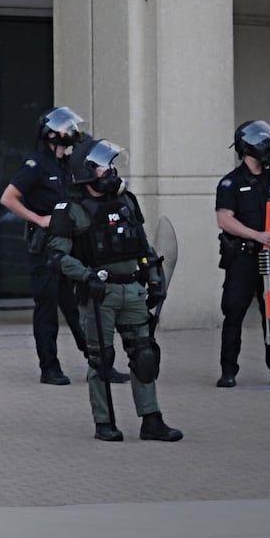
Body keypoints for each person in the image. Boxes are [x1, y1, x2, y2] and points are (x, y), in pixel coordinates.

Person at [45, 139, 182, 442]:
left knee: (144, 355)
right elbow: (56, 257)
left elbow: (143, 245)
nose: (111, 170)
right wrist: (86, 276)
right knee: (101, 360)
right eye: (104, 165)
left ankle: (152, 420)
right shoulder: (71, 210)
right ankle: (104, 422)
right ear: (87, 170)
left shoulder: (126, 202)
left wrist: (155, 279)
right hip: (99, 294)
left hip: (132, 289)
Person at [0, 105, 103, 386]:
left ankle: (98, 361)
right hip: (44, 247)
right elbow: (8, 199)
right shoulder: (36, 165)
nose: (69, 131)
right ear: (49, 133)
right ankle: (50, 367)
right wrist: (39, 219)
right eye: (63, 126)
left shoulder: (68, 165)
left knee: (75, 306)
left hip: (69, 246)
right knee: (47, 308)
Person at [215, 120, 270, 388]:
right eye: (262, 141)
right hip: (243, 257)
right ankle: (228, 371)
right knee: (234, 313)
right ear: (247, 147)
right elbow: (224, 220)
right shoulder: (231, 183)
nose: (268, 146)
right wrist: (257, 236)